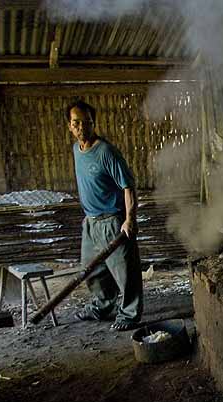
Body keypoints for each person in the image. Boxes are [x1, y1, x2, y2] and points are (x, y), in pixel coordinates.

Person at [67, 100, 143, 331]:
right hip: (90, 221)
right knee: (92, 269)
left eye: (86, 122)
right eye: (76, 123)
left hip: (112, 220)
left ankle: (129, 315)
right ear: (69, 126)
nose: (82, 128)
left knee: (125, 273)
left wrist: (129, 219)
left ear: (93, 123)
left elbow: (128, 186)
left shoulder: (106, 152)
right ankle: (102, 306)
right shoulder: (76, 150)